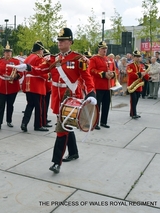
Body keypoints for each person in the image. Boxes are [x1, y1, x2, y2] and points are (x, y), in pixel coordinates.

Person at [7, 28, 96, 173]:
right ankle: (73, 152)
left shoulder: (77, 58)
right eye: (59, 40)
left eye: (63, 40)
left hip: (70, 97)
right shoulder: (54, 59)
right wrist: (27, 67)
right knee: (67, 124)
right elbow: (41, 70)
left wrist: (91, 93)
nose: (60, 43)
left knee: (61, 129)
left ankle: (56, 162)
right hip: (57, 96)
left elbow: (87, 77)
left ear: (70, 42)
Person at [0, 42, 21, 130]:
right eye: (6, 52)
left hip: (12, 86)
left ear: (11, 53)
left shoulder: (16, 61)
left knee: (10, 105)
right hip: (1, 86)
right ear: (4, 53)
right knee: (1, 105)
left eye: (9, 52)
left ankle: (9, 120)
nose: (8, 53)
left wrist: (16, 76)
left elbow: (20, 73)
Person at [20, 41, 49, 132]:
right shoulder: (39, 58)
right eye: (42, 51)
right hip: (37, 85)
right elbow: (42, 71)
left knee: (29, 105)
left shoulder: (27, 58)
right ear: (40, 50)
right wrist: (48, 76)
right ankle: (38, 125)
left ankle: (24, 123)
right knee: (39, 107)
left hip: (28, 84)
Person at [89, 41, 116, 130]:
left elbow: (115, 70)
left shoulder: (109, 59)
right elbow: (91, 70)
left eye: (105, 49)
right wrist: (103, 74)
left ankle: (104, 121)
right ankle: (95, 123)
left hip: (108, 86)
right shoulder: (94, 59)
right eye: (103, 49)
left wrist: (112, 74)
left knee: (106, 104)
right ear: (99, 49)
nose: (104, 50)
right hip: (98, 85)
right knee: (97, 106)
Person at [127, 50, 149, 119]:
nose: (138, 58)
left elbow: (144, 74)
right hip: (132, 85)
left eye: (139, 57)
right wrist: (139, 74)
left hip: (139, 85)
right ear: (133, 57)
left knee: (136, 100)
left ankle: (132, 113)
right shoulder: (130, 65)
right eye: (136, 57)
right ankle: (133, 113)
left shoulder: (141, 66)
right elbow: (130, 75)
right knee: (133, 99)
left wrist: (147, 76)